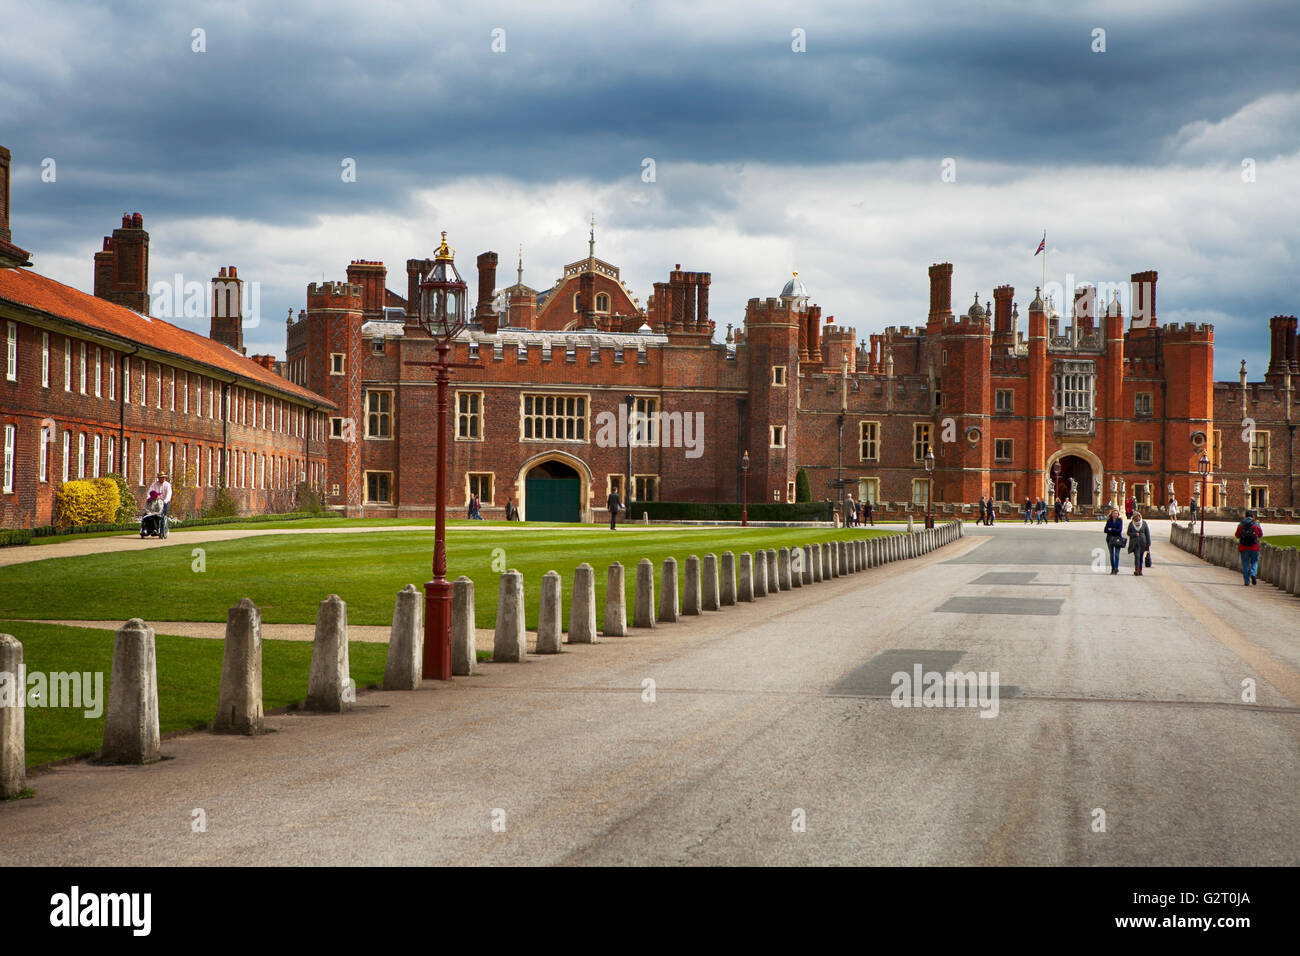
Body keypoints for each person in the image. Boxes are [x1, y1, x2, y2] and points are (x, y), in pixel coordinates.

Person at [1235, 510, 1264, 586]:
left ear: (1245, 516)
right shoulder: (1256, 524)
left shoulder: (1241, 524)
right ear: (1252, 516)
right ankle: (1253, 573)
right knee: (1254, 561)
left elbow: (1237, 535)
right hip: (1254, 547)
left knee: (1245, 564)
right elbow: (1261, 535)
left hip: (1243, 547)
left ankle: (1247, 582)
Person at [147, 472, 172, 537]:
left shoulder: (167, 485)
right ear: (158, 478)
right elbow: (150, 492)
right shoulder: (154, 485)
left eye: (163, 477)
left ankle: (164, 529)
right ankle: (154, 529)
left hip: (165, 502)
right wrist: (149, 499)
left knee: (164, 516)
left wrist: (165, 501)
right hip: (156, 502)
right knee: (153, 515)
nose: (162, 478)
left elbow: (169, 494)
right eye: (161, 477)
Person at [1126, 511, 1151, 576]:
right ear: (1133, 518)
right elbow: (1128, 533)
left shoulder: (1144, 523)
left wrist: (1148, 543)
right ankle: (1136, 570)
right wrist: (1134, 534)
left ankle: (1140, 570)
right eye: (1135, 517)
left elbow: (1147, 534)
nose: (1137, 518)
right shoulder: (1131, 524)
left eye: (1138, 517)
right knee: (1137, 556)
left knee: (1141, 557)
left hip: (1143, 543)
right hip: (1134, 543)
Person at [1103, 508, 1124, 574]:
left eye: (1116, 513)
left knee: (1117, 555)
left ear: (1118, 514)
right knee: (1111, 555)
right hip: (1110, 539)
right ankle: (1113, 568)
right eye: (1114, 513)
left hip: (1118, 539)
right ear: (1111, 514)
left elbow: (1119, 530)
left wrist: (1111, 529)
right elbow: (1105, 530)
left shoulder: (1120, 520)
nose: (1115, 514)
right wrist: (1114, 530)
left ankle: (1116, 568)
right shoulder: (1109, 520)